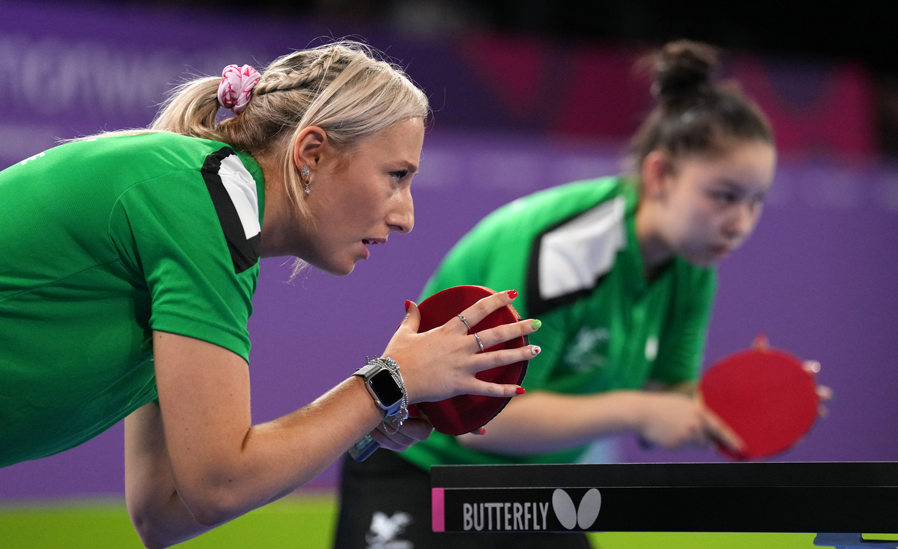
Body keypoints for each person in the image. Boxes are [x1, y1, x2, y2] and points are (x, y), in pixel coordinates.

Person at [0, 41, 541, 548]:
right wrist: (386, 382)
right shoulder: (197, 205)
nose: (406, 216)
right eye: (396, 175)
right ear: (312, 152)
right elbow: (219, 486)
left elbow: (162, 512)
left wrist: (357, 417)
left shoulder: (203, 206)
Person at [335, 40, 830, 548]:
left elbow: (669, 397)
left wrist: (754, 399)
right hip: (424, 471)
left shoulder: (693, 266)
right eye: (724, 196)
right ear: (660, 175)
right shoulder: (564, 253)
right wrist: (636, 411)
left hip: (536, 488)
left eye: (755, 202)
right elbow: (485, 420)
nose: (740, 224)